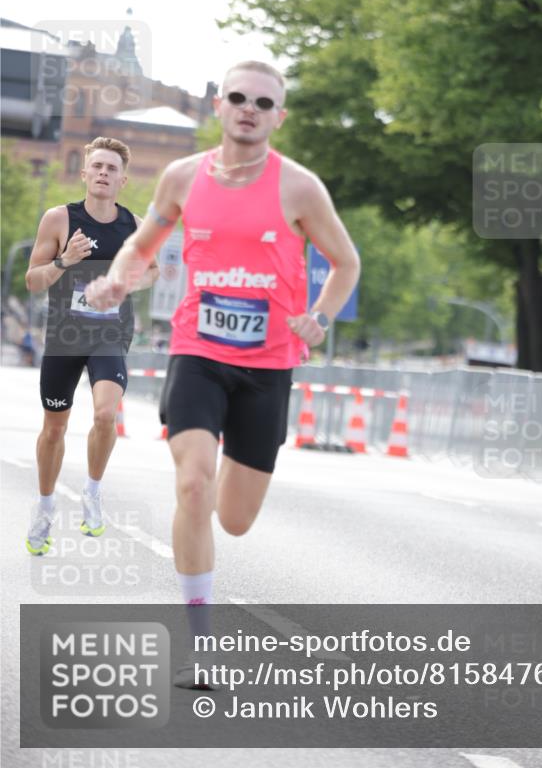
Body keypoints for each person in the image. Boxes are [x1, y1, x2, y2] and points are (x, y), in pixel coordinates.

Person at [85, 61, 360, 685]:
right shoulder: (183, 177)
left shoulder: (300, 188)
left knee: (234, 518)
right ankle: (201, 644)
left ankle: (221, 486)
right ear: (219, 106)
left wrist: (319, 316)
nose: (249, 109)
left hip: (267, 366)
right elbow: (141, 246)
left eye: (263, 103)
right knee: (192, 486)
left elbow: (346, 262)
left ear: (278, 117)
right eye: (238, 97)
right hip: (198, 353)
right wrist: (118, 280)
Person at [24, 137, 159, 556]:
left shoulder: (134, 226)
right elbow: (32, 281)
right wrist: (64, 261)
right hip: (65, 337)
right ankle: (45, 507)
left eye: (111, 168)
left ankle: (93, 492)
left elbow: (153, 272)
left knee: (105, 414)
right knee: (54, 428)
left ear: (122, 180)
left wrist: (125, 281)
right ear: (84, 173)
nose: (103, 173)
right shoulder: (59, 219)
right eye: (97, 166)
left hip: (110, 333)